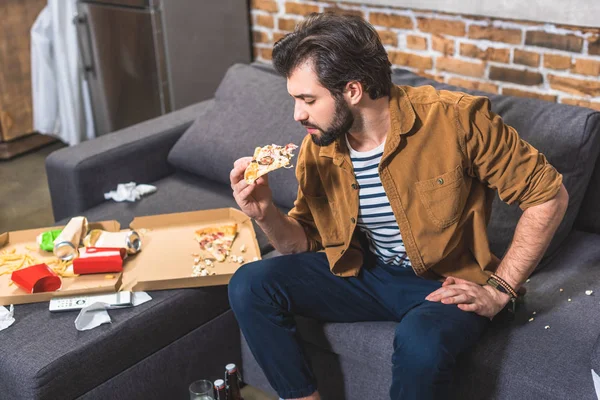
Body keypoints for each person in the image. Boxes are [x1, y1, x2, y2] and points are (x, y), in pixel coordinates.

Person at [228, 12, 569, 400]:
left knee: (421, 342)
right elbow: (301, 245)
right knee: (250, 283)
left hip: (445, 282)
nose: (297, 114)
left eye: (308, 99)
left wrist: (500, 289)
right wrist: (265, 214)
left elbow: (549, 195)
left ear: (353, 90)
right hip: (365, 272)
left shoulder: (455, 118)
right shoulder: (318, 148)